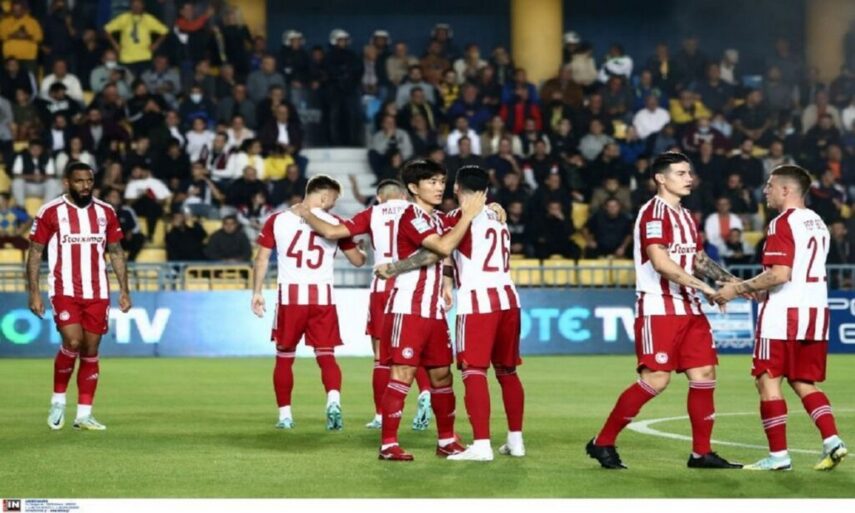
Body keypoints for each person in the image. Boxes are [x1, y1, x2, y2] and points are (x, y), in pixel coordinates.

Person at [586, 151, 742, 470]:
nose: (689, 178)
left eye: (690, 173)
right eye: (681, 173)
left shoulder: (685, 215)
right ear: (660, 178)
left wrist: (734, 283)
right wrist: (707, 289)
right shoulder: (653, 214)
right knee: (656, 380)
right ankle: (603, 441)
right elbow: (661, 263)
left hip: (690, 307)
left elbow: (697, 259)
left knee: (704, 374)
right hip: (659, 306)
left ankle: (701, 453)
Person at [713, 165, 848, 471]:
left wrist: (737, 289)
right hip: (814, 314)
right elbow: (793, 273)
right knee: (803, 381)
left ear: (786, 190)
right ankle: (832, 441)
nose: (765, 191)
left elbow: (779, 274)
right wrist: (759, 288)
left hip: (782, 317)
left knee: (767, 381)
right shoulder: (818, 222)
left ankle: (778, 457)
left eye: (770, 186)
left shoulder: (781, 223)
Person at [292, 180, 435, 431]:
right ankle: (425, 393)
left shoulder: (373, 213)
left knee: (381, 357)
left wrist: (306, 214)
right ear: (404, 195)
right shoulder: (418, 212)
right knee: (413, 349)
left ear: (379, 198)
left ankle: (380, 415)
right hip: (414, 285)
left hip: (382, 285)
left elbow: (333, 232)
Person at [370, 158, 486, 461]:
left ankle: (446, 440)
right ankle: (388, 445)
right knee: (403, 374)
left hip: (434, 311)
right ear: (413, 187)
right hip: (408, 308)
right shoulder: (412, 217)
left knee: (442, 376)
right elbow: (444, 248)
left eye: (442, 182)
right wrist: (468, 215)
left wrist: (491, 208)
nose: (439, 187)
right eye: (432, 182)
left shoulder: (437, 219)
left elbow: (433, 254)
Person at [251, 175, 366, 431]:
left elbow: (261, 258)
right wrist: (363, 251)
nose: (333, 205)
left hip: (290, 299)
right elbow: (358, 261)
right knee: (326, 356)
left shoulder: (277, 219)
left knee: (284, 357)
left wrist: (257, 292)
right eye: (333, 200)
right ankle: (333, 400)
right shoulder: (335, 223)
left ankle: (285, 416)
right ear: (324, 197)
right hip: (322, 299)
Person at [28, 162, 132, 431]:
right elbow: (36, 252)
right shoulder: (51, 211)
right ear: (67, 182)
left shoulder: (106, 212)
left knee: (91, 349)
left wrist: (124, 289)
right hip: (64, 289)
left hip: (97, 292)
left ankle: (84, 415)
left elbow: (116, 251)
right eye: (79, 181)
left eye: (89, 181)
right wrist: (34, 292)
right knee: (73, 341)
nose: (85, 186)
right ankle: (58, 401)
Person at [435, 166, 526, 461]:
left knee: (473, 371)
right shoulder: (499, 218)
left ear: (456, 189)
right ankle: (515, 441)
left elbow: (440, 243)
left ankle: (482, 445)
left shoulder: (454, 218)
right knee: (507, 371)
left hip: (477, 302)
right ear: (486, 190)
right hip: (508, 299)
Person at [103, 0, 168, 77]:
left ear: (143, 6)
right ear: (130, 6)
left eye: (138, 5)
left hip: (144, 57)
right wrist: (115, 45)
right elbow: (106, 30)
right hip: (126, 58)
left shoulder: (148, 18)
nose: (136, 7)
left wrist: (156, 44)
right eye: (134, 5)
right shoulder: (124, 18)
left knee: (143, 82)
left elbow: (165, 31)